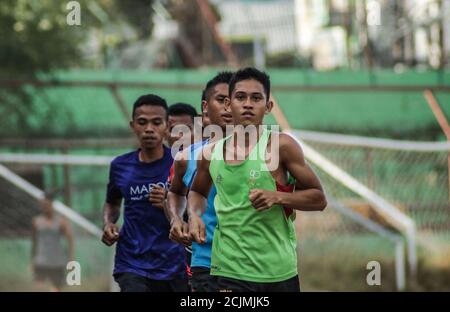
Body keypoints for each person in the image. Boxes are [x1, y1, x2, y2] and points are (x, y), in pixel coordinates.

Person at [187, 67, 327, 292]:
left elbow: (319, 199)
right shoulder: (210, 154)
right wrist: (194, 215)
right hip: (229, 271)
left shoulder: (282, 146)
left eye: (256, 98)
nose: (248, 104)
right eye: (240, 97)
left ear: (269, 106)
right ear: (228, 104)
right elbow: (197, 192)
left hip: (279, 270)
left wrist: (277, 197)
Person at [101, 94, 188, 292]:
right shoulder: (120, 166)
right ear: (133, 126)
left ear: (168, 125)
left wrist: (169, 201)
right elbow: (113, 203)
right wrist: (108, 223)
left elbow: (195, 208)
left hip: (173, 264)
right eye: (142, 122)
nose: (149, 129)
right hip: (132, 263)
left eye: (156, 122)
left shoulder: (181, 163)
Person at [166, 72, 234, 292]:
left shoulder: (267, 156)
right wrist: (177, 218)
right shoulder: (187, 157)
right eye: (221, 100)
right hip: (205, 264)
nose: (229, 107)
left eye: (236, 99)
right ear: (205, 107)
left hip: (252, 263)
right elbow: (175, 193)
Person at [31, 191, 74, 292]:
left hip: (57, 262)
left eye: (46, 205)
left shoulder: (61, 221)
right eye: (42, 205)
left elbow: (70, 239)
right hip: (41, 261)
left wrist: (71, 258)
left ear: (51, 204)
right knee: (39, 288)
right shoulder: (36, 221)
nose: (44, 207)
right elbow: (34, 242)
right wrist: (32, 260)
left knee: (56, 289)